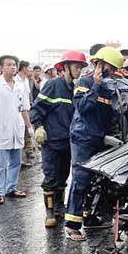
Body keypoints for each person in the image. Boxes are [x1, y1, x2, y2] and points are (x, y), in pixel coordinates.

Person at [64, 46, 124, 241]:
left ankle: (89, 217)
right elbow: (83, 107)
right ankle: (72, 225)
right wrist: (96, 86)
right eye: (110, 68)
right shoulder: (84, 82)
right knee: (80, 180)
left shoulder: (111, 87)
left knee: (97, 181)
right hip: (83, 138)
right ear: (99, 64)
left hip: (99, 138)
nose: (112, 73)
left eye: (115, 70)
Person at [30, 51, 87, 227]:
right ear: (66, 67)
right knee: (51, 178)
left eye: (81, 67)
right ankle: (49, 213)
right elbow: (36, 109)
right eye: (77, 67)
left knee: (63, 177)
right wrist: (38, 127)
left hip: (68, 141)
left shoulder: (74, 89)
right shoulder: (53, 85)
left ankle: (59, 208)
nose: (79, 71)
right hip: (52, 141)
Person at [0, 55, 35, 204]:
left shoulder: (20, 86)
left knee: (16, 162)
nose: (12, 67)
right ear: (1, 68)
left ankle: (11, 188)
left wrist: (29, 127)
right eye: (9, 65)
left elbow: (24, 109)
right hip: (2, 129)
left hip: (17, 129)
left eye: (14, 65)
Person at [14, 60, 34, 161]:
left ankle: (29, 150)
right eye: (29, 68)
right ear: (24, 68)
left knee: (28, 130)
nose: (31, 70)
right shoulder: (15, 81)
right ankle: (19, 155)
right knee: (20, 131)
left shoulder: (26, 80)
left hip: (27, 108)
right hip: (18, 111)